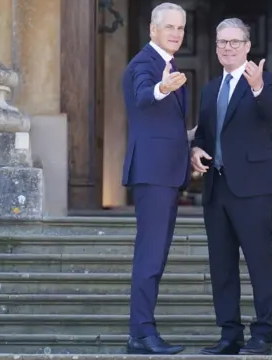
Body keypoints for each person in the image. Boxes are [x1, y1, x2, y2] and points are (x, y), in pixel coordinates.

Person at [190, 17, 272, 356]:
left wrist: (258, 87)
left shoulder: (267, 81)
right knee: (222, 265)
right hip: (217, 188)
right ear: (216, 48)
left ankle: (263, 335)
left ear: (247, 46)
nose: (227, 47)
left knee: (259, 262)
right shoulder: (211, 88)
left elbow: (271, 113)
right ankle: (230, 334)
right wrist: (196, 150)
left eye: (234, 42)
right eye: (222, 42)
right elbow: (203, 133)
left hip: (254, 188)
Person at [121, 2, 190, 355]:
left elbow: (164, 123)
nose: (176, 33)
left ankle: (143, 331)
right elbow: (143, 96)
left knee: (156, 257)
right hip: (152, 174)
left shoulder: (168, 65)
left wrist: (189, 143)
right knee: (149, 257)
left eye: (180, 28)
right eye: (169, 27)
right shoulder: (145, 65)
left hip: (166, 173)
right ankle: (142, 334)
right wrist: (161, 89)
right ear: (153, 30)